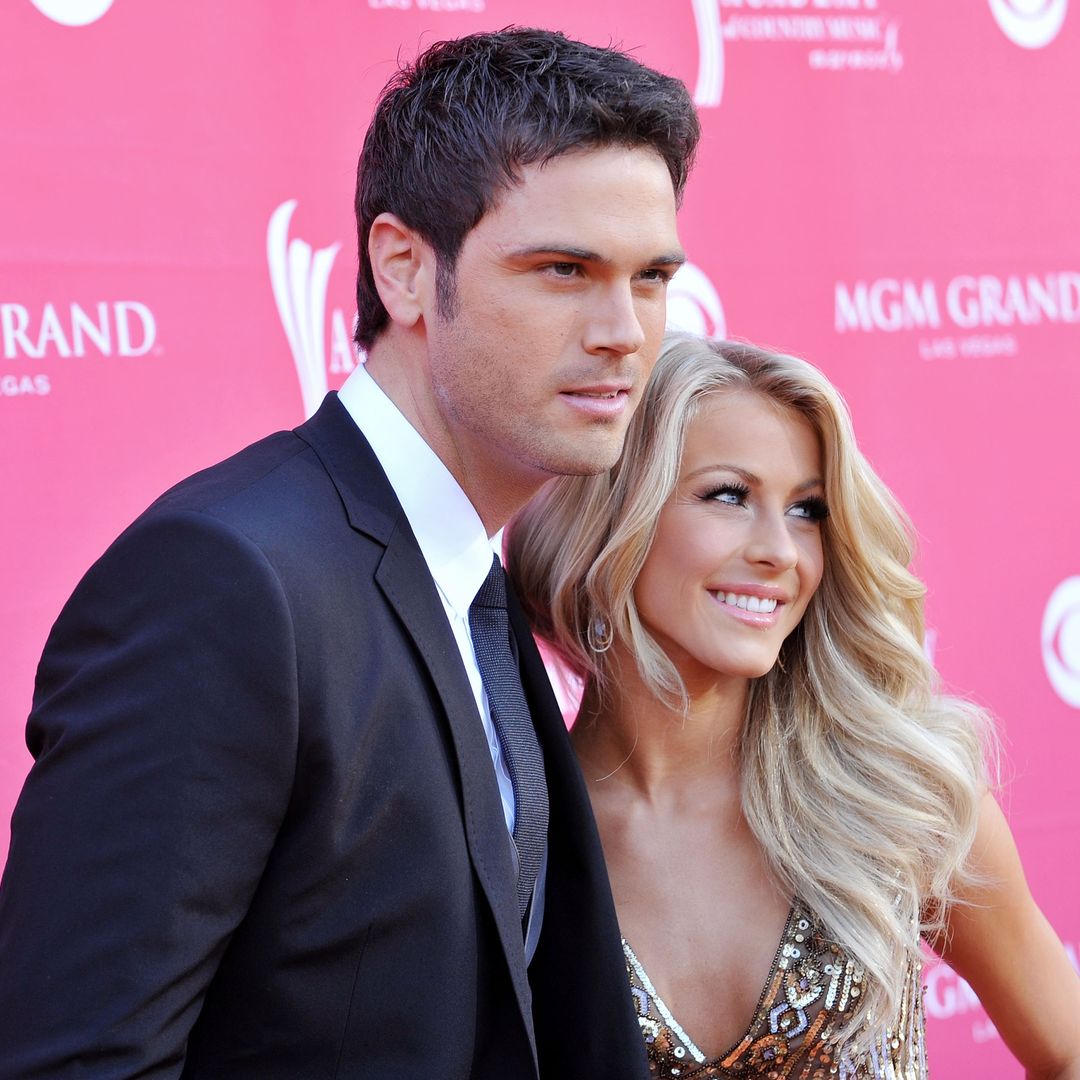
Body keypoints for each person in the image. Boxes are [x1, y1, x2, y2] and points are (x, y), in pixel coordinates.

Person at [0, 29, 699, 1079]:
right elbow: (76, 1060)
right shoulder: (227, 581)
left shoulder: (468, 576)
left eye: (651, 278)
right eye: (565, 269)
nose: (624, 330)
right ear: (404, 267)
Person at [509, 334, 1080, 1079]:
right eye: (728, 495)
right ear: (618, 518)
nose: (782, 550)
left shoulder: (897, 797)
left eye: (807, 509)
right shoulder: (511, 831)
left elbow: (1066, 1046)